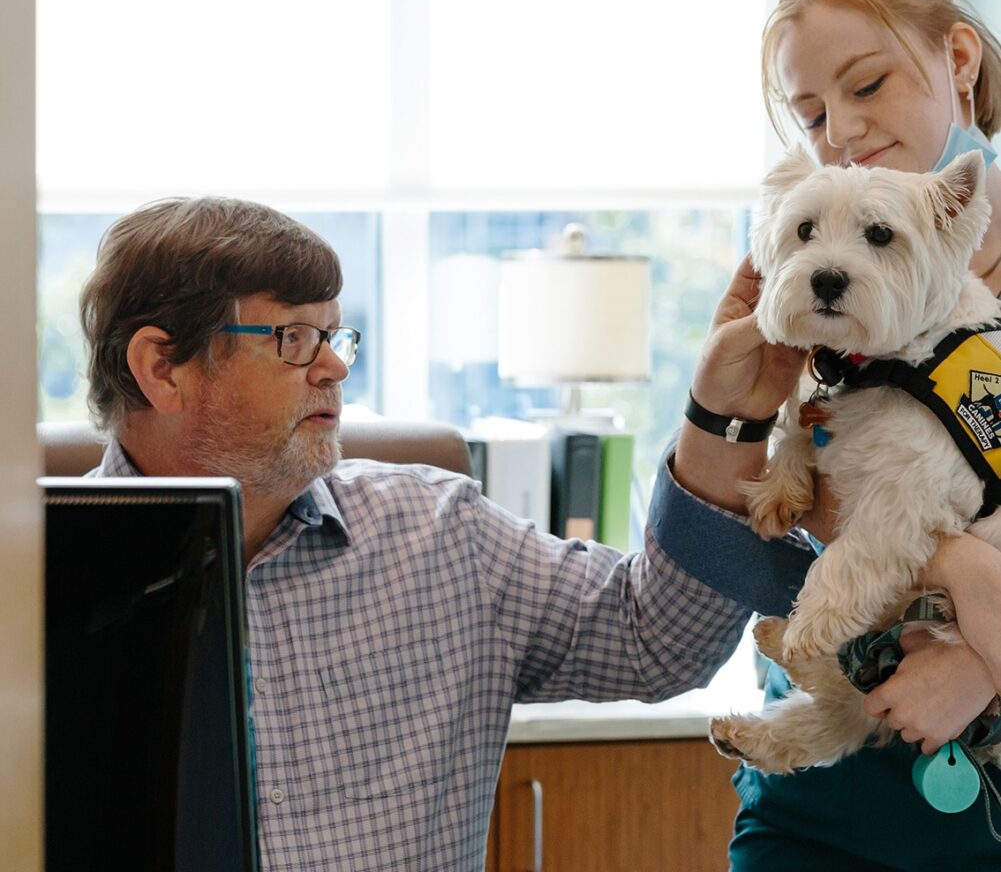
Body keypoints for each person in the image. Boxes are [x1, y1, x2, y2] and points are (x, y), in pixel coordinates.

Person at [79, 195, 787, 872]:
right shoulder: (30, 583)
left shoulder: (438, 535)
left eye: (334, 336)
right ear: (162, 368)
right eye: (292, 338)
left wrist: (722, 418)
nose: (333, 367)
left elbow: (660, 640)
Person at [660, 0, 1001, 871]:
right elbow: (725, 571)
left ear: (955, 59)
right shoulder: (810, 276)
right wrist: (717, 401)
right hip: (809, 802)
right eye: (809, 112)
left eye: (865, 86)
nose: (840, 132)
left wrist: (981, 662)